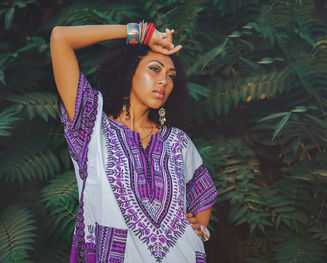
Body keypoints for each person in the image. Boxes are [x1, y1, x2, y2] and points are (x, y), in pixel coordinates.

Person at [50, 22, 217, 263]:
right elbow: (60, 38)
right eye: (155, 69)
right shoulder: (91, 126)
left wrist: (200, 231)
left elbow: (202, 198)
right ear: (129, 71)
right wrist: (143, 34)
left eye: (171, 76)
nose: (164, 81)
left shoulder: (178, 142)